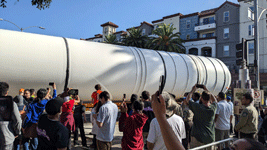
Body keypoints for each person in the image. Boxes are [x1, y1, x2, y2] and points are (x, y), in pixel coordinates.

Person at [22, 84, 57, 150]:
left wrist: (24, 126)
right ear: (45, 95)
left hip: (33, 125)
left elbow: (28, 117)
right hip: (43, 126)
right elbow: (54, 98)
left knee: (33, 143)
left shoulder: (32, 104)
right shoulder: (47, 103)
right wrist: (54, 89)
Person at [184, 84, 217, 149]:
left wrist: (193, 90)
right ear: (209, 98)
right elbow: (215, 101)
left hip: (198, 138)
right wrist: (206, 89)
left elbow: (187, 100)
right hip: (210, 137)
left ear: (201, 98)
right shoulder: (213, 108)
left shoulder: (198, 107)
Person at [0, 82, 22, 150]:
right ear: (6, 93)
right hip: (6, 137)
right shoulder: (11, 103)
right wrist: (17, 132)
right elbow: (17, 120)